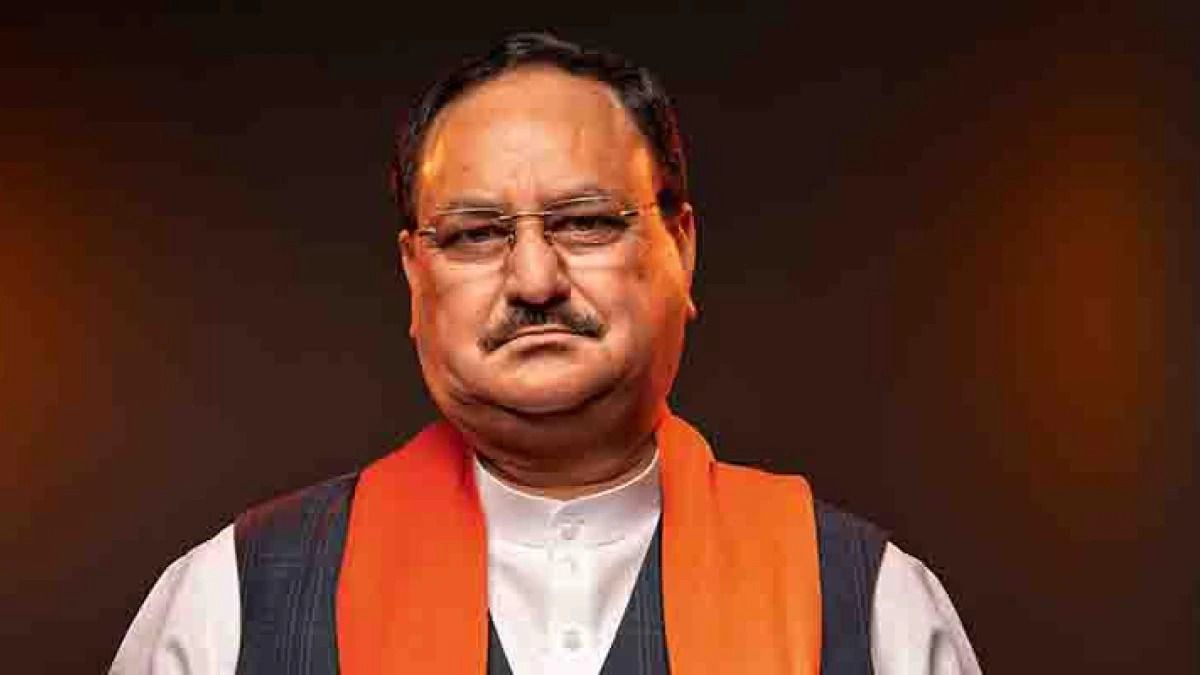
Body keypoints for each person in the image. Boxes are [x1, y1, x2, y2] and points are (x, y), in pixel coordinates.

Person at [111, 32, 981, 675]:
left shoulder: (867, 600)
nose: (534, 278)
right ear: (415, 275)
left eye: (586, 221)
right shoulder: (234, 598)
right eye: (476, 233)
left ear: (682, 247)